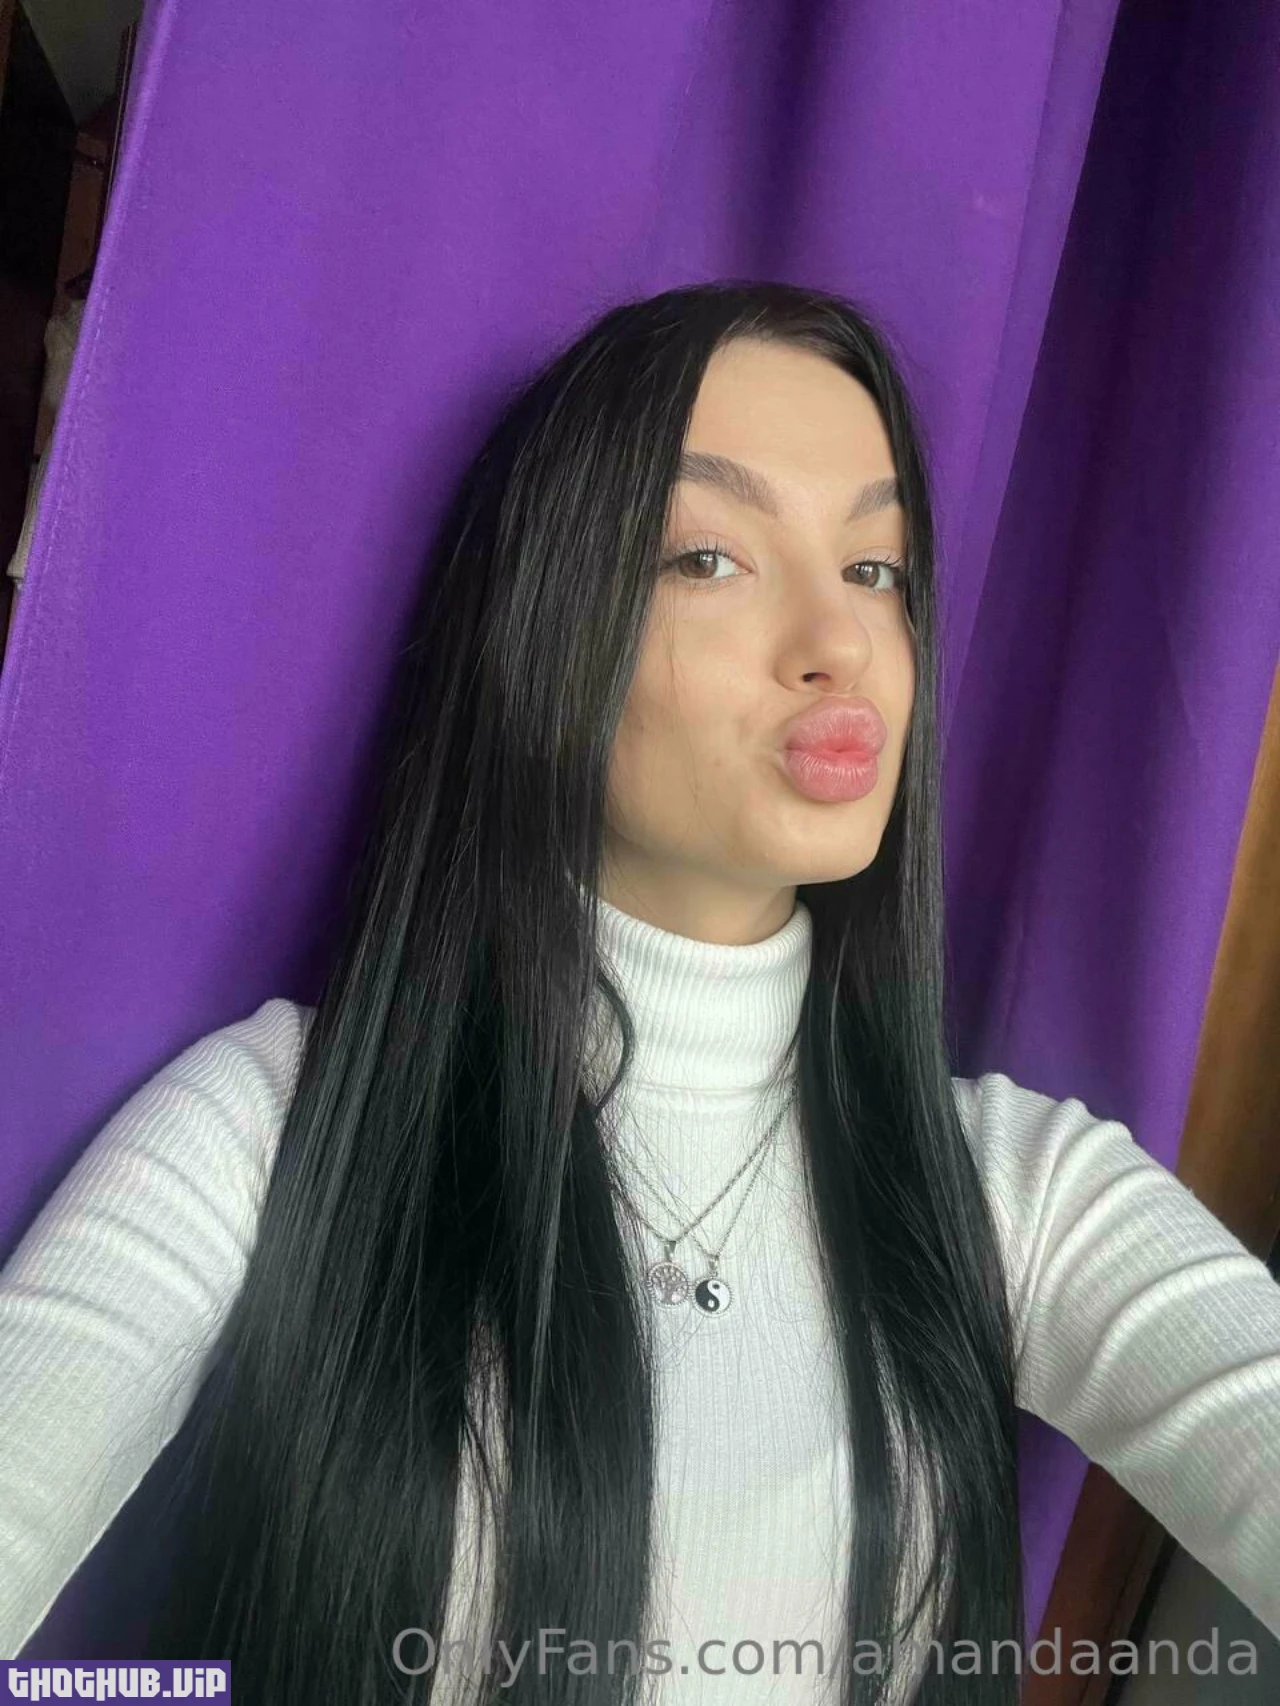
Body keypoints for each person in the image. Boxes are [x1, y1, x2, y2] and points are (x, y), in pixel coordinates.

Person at [1, 282, 1278, 1706]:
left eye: (877, 568)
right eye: (712, 557)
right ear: (546, 624)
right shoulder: (280, 1131)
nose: (841, 640)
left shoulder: (1010, 1196)